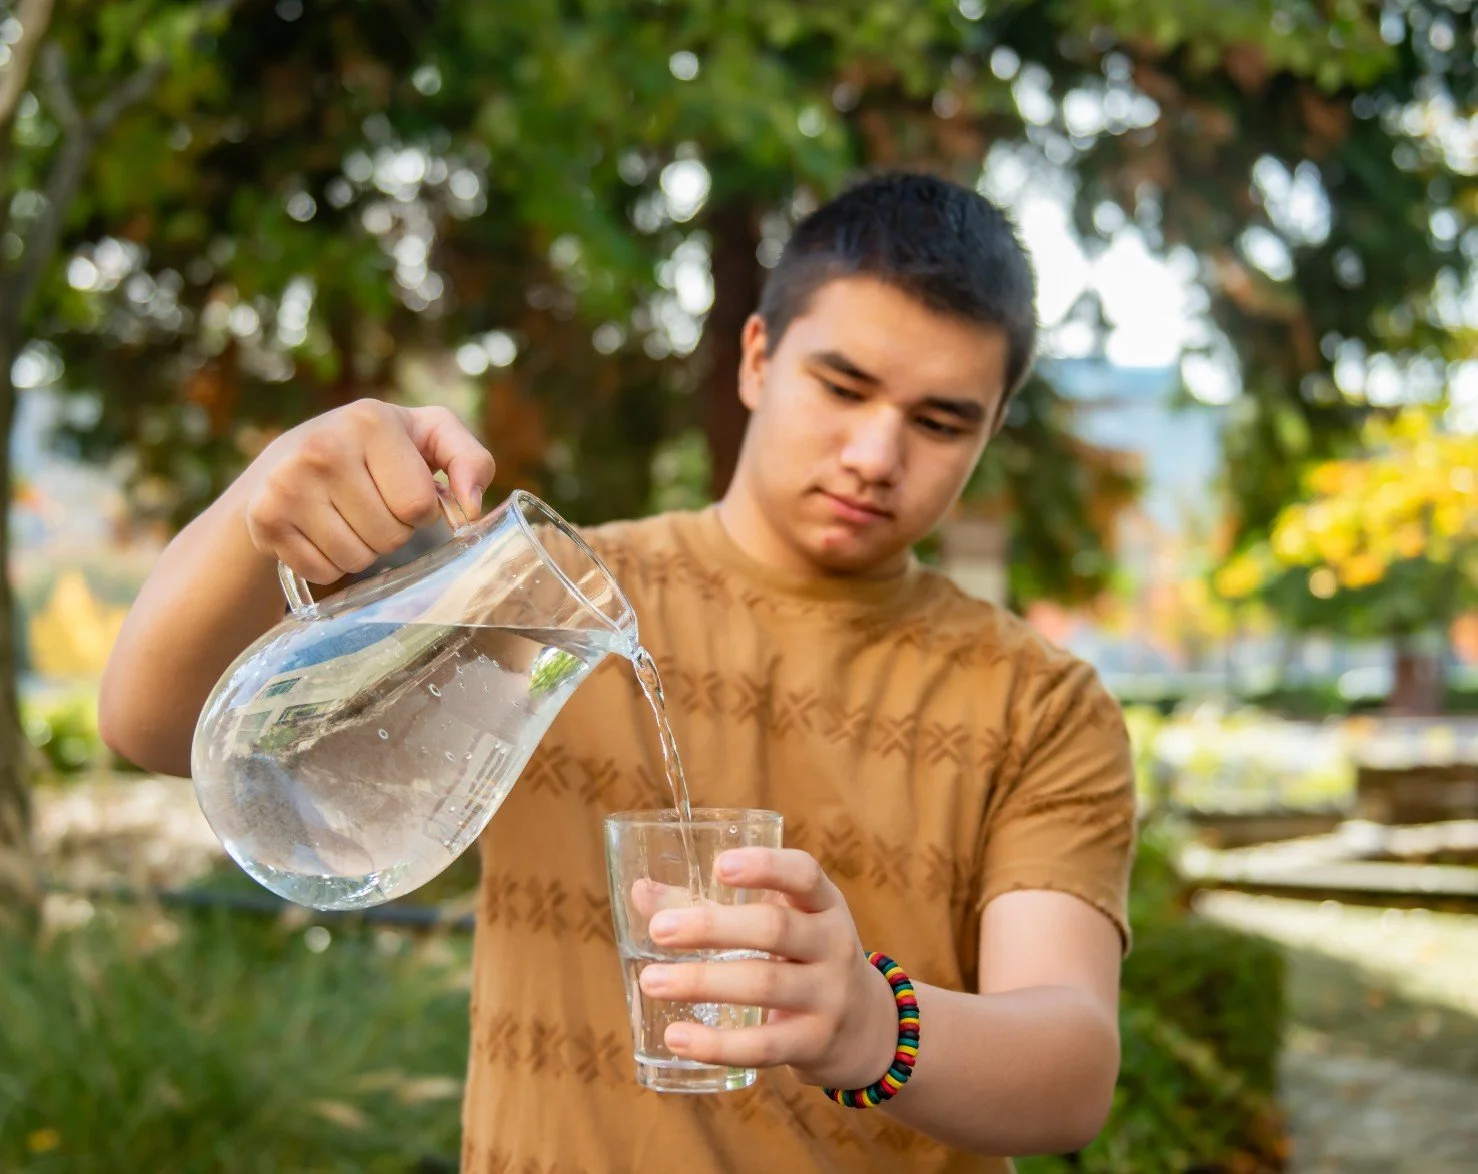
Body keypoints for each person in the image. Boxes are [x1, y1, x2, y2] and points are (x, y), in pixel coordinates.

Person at [100, 170, 1137, 1174]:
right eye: (842, 385)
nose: (875, 452)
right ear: (755, 358)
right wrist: (264, 509)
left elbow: (1068, 1071)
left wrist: (871, 1022)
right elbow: (149, 725)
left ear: (992, 430)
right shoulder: (545, 607)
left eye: (939, 419)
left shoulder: (1038, 704)